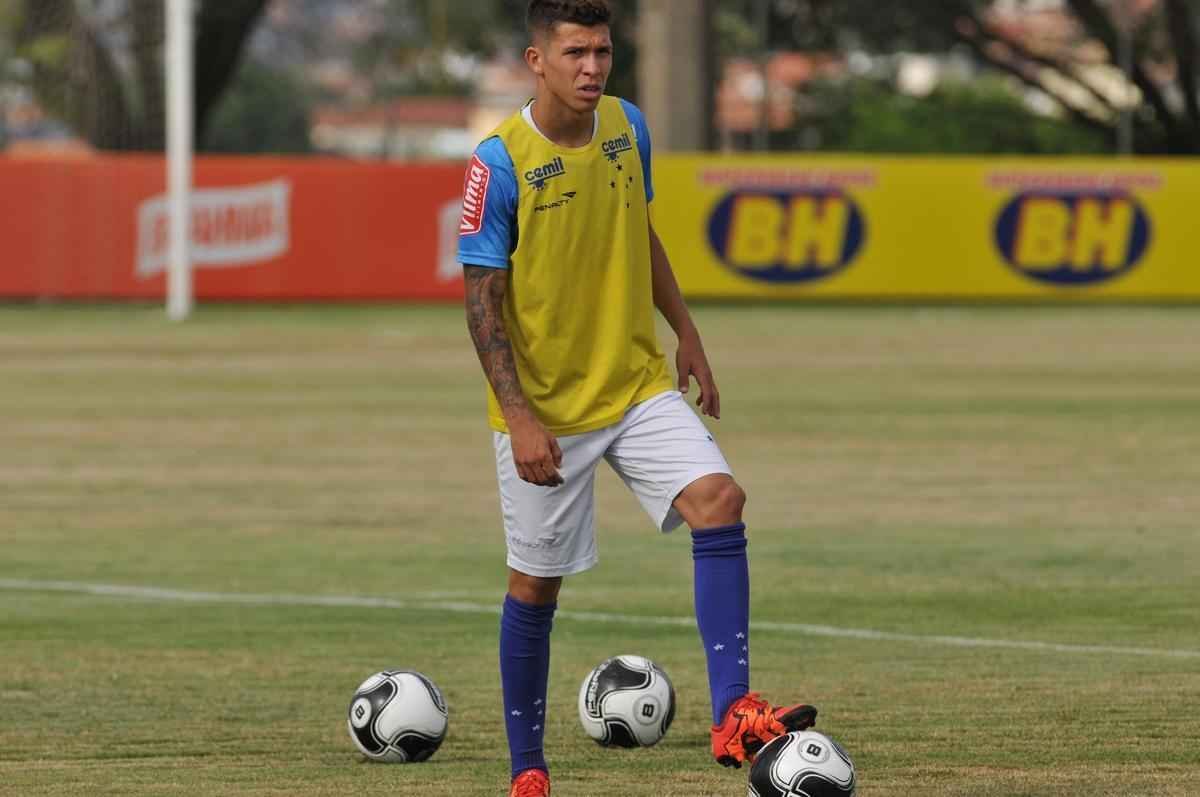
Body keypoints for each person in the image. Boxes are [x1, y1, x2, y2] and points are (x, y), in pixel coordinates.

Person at [457, 2, 817, 794]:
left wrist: (685, 330)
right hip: (546, 410)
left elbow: (637, 229)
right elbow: (481, 297)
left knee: (720, 498)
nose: (592, 68)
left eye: (603, 52)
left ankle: (734, 715)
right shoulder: (500, 161)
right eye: (576, 52)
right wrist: (519, 416)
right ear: (536, 61)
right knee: (534, 583)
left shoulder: (628, 128)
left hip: (635, 382)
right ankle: (527, 768)